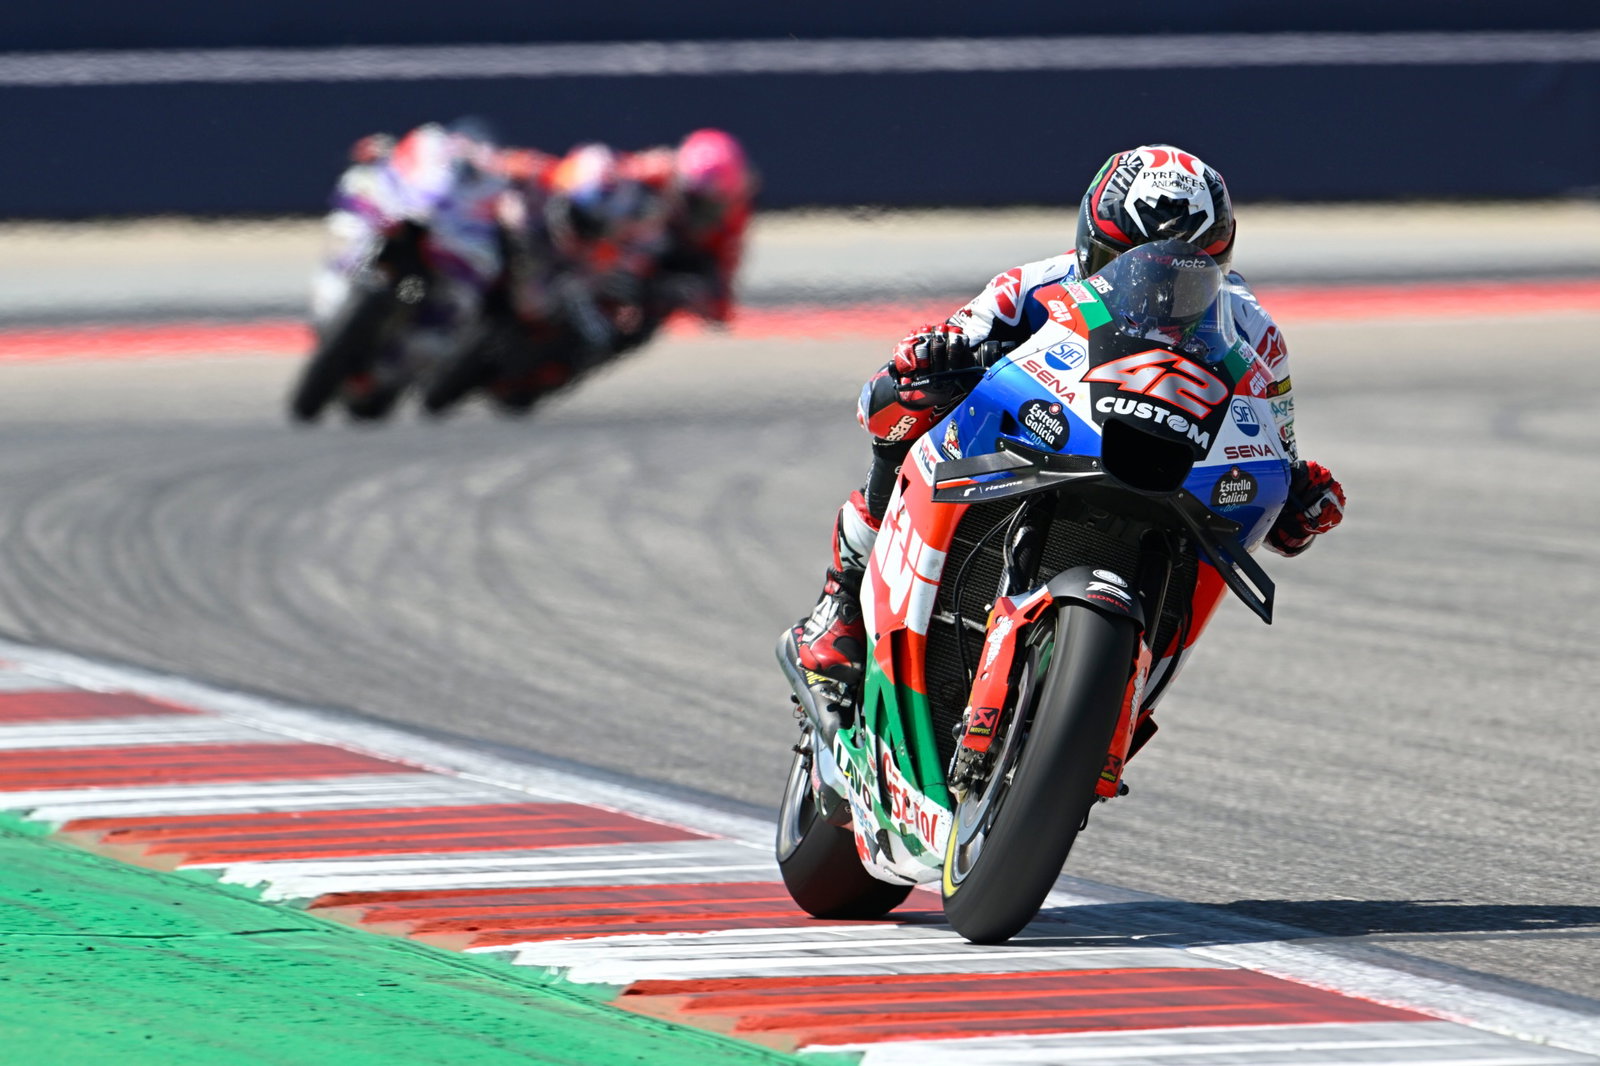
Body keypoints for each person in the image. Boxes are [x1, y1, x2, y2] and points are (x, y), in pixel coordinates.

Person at [790, 143, 1347, 689]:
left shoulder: (1258, 334)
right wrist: (927, 362)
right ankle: (843, 595)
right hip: (1040, 440)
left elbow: (1277, 452)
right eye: (1121, 268)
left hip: (1164, 471)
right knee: (908, 411)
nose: (1154, 296)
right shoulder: (1027, 288)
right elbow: (884, 392)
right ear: (1089, 247)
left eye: (1184, 279)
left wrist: (1297, 504)